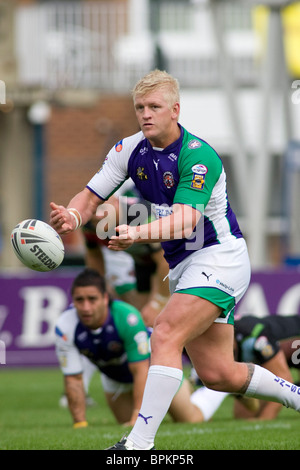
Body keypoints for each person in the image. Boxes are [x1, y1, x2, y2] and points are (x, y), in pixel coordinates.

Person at [50, 69, 300, 450]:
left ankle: (139, 443)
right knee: (218, 375)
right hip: (187, 267)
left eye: (154, 106)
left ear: (175, 110)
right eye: (140, 107)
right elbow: (90, 197)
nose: (146, 114)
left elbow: (188, 218)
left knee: (164, 332)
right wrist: (72, 216)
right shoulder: (128, 150)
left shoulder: (199, 157)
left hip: (220, 258)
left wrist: (137, 233)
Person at [55, 267, 205, 428]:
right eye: (79, 300)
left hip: (152, 372)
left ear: (105, 298)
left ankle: (210, 391)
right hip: (115, 379)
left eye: (92, 299)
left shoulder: (127, 317)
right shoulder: (65, 326)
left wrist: (137, 414)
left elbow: (140, 370)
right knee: (125, 425)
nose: (86, 307)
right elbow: (73, 378)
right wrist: (80, 423)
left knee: (189, 420)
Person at [190, 314, 300, 422]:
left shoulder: (253, 336)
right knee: (242, 416)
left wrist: (264, 420)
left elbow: (285, 379)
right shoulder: (202, 344)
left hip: (293, 345)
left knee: (283, 387)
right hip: (274, 358)